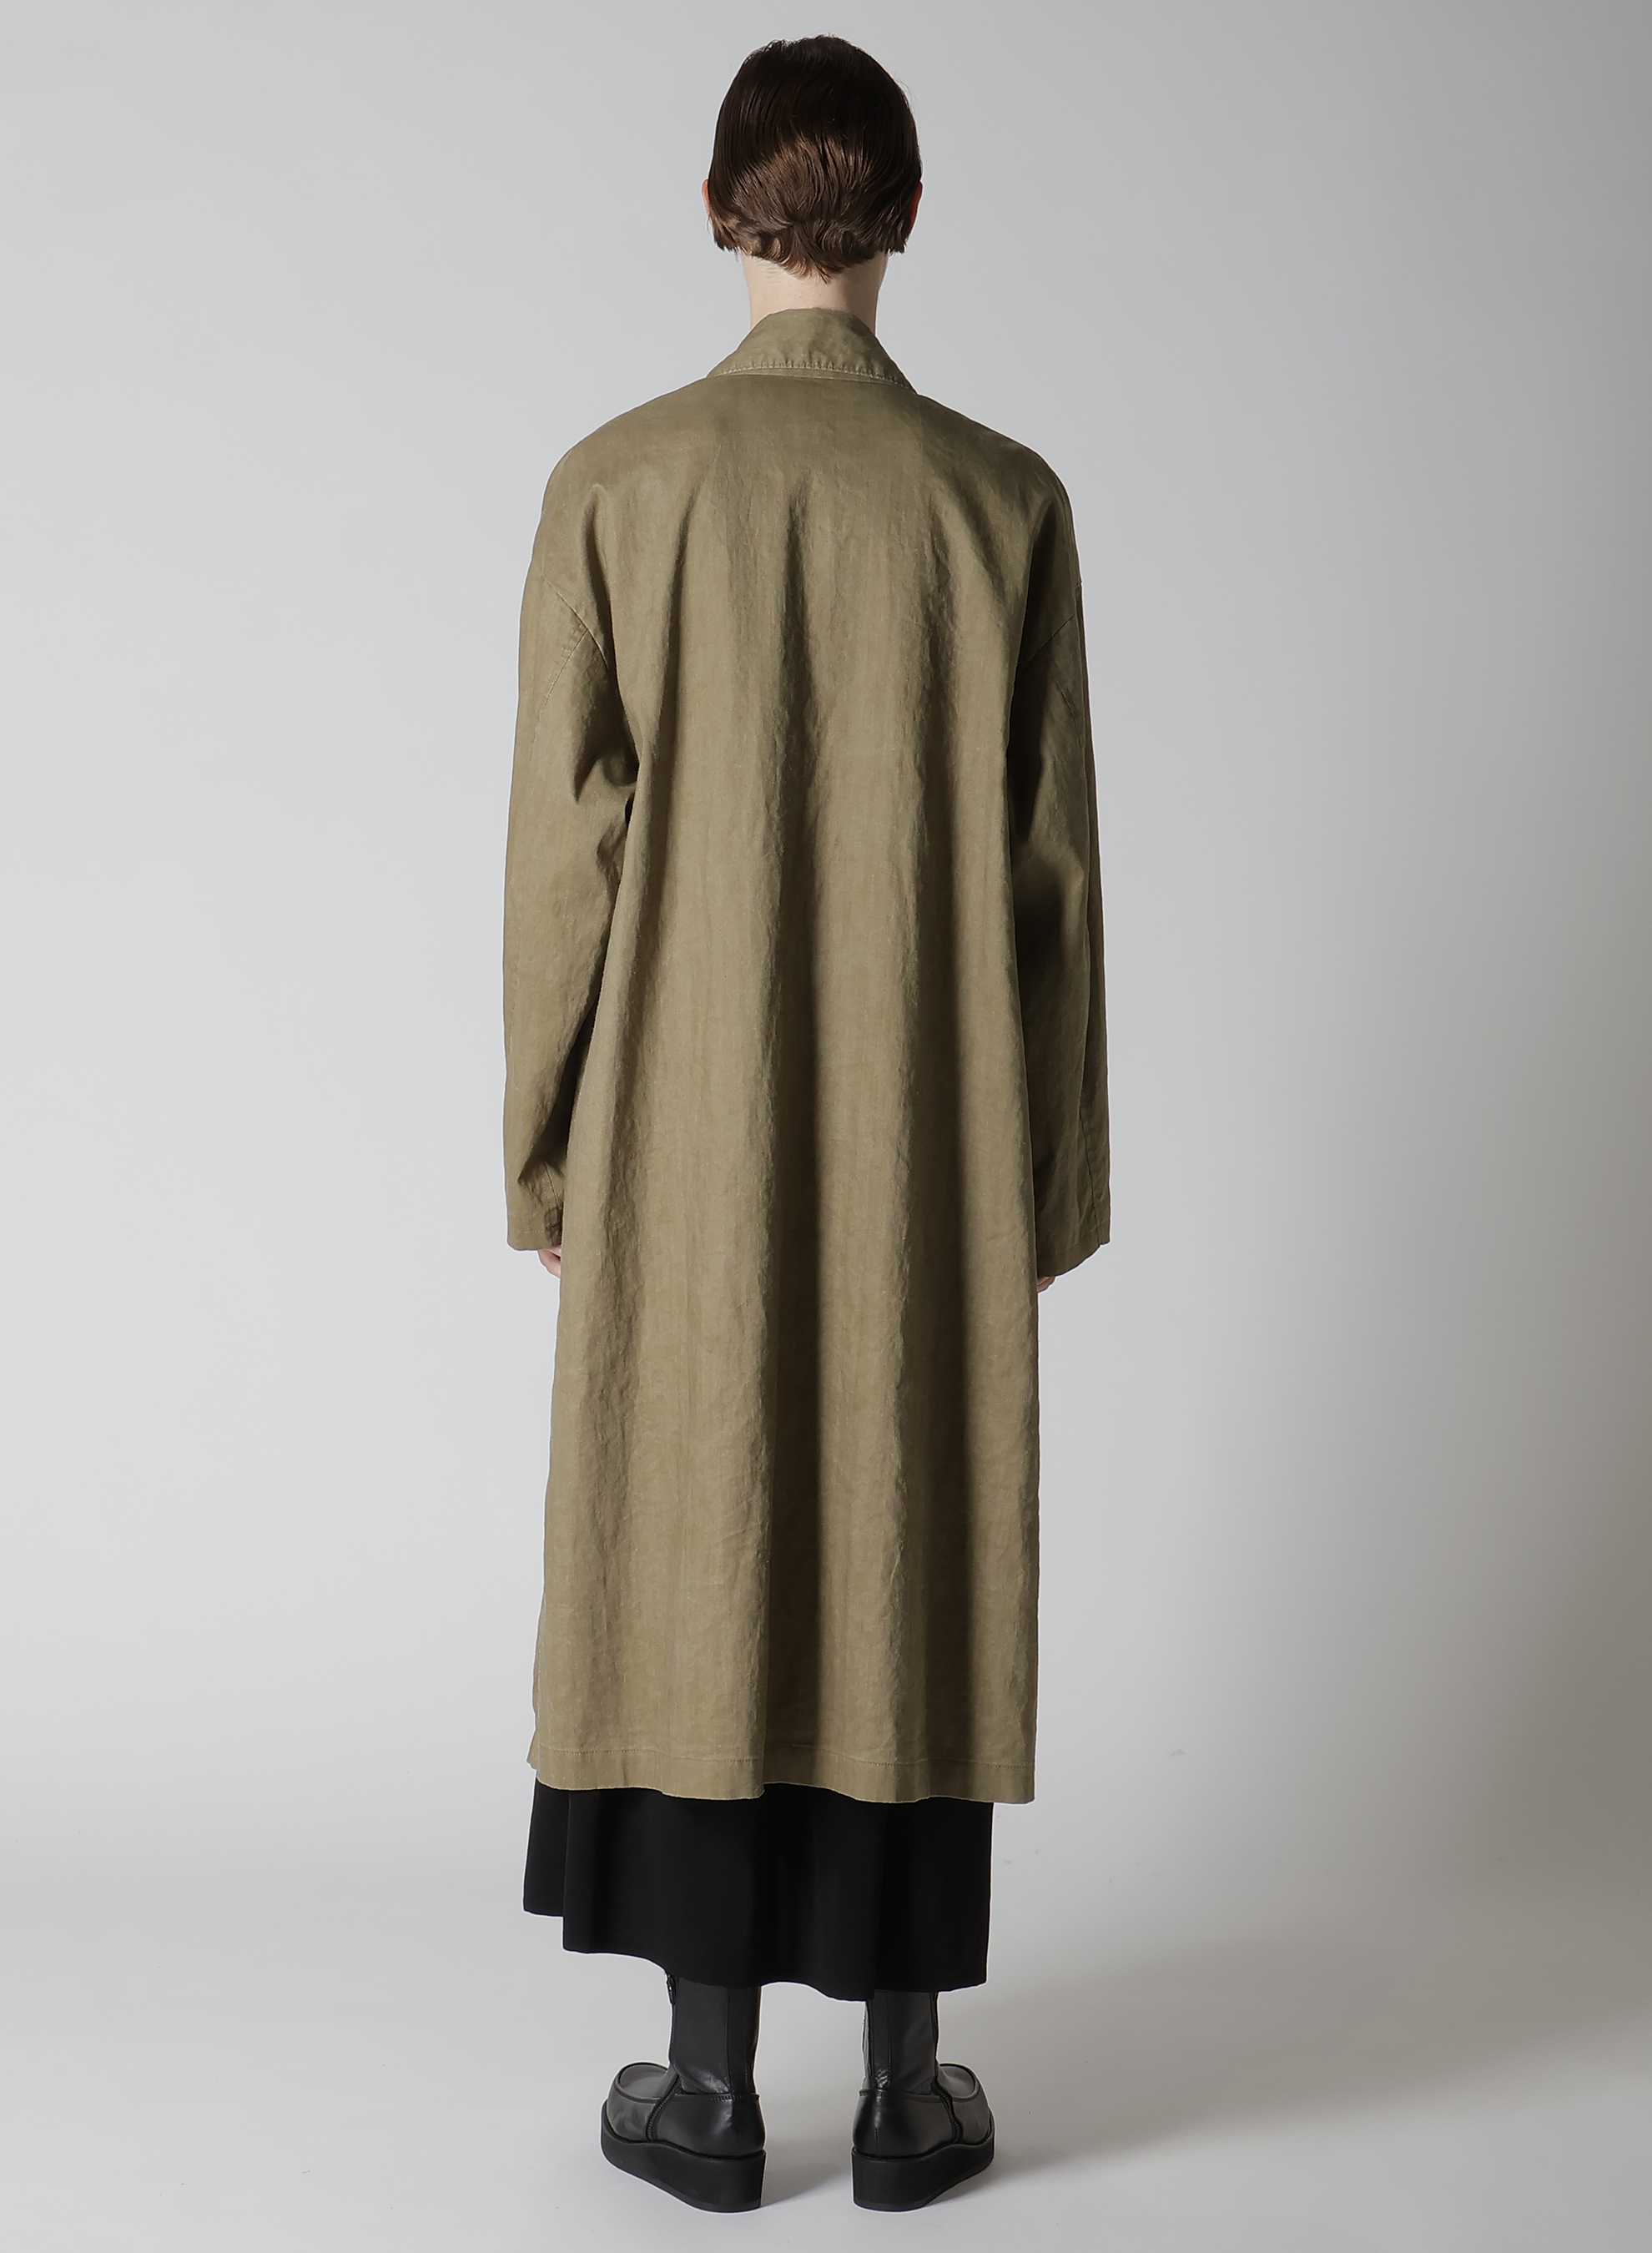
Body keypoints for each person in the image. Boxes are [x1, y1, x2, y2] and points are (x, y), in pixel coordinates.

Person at [502, 33, 1108, 2214]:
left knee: (700, 1533)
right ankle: (902, 2096)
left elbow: (562, 867)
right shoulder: (1000, 502)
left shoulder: (615, 484)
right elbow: (1053, 886)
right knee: (902, 1536)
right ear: (906, 220)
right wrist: (1045, 1182)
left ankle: (706, 2091)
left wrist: (544, 1148)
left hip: (681, 1136)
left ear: (716, 214)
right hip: (927, 1136)